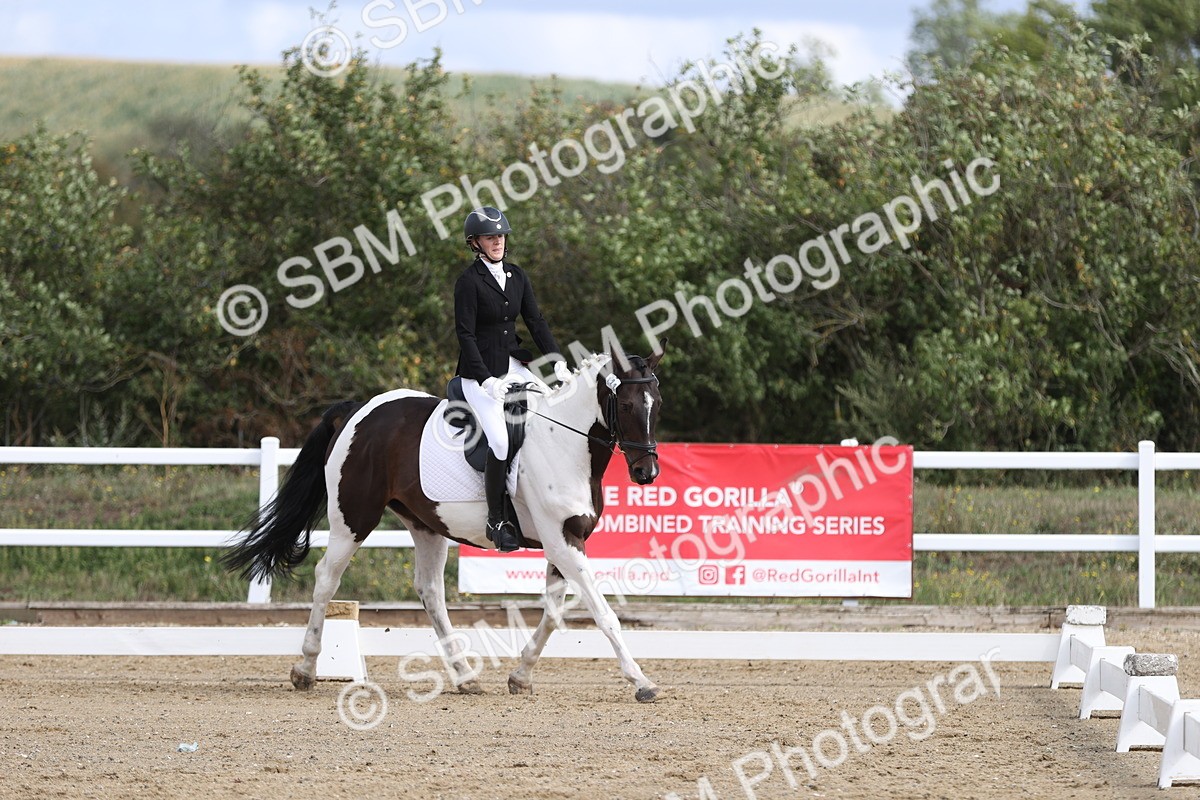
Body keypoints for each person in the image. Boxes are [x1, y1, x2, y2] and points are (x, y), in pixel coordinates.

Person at [454, 206, 572, 552]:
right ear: (475, 243)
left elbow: (536, 322)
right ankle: (498, 518)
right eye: (490, 237)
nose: (497, 241)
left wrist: (558, 362)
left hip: (516, 365)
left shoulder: (517, 276)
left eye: (501, 236)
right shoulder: (468, 282)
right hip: (479, 376)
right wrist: (486, 380)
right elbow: (465, 335)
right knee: (502, 442)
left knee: (548, 419)